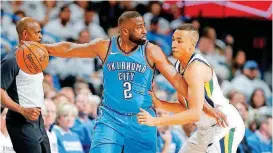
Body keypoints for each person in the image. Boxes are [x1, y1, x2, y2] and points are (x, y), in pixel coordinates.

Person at [44, 11, 226, 153]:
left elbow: (179, 83)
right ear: (124, 31)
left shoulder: (152, 51)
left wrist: (208, 109)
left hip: (141, 120)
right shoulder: (105, 46)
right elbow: (70, 48)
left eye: (144, 26)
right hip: (110, 118)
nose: (145, 31)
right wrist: (43, 48)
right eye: (139, 27)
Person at [137, 24, 245, 153]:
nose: (174, 44)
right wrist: (160, 103)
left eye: (179, 41)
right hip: (204, 130)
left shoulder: (196, 68)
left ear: (191, 45)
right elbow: (185, 107)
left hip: (224, 125)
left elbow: (194, 113)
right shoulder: (178, 66)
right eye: (173, 40)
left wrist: (156, 121)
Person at [1, 17, 51, 153]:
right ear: (24, 34)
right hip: (20, 122)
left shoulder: (35, 56)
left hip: (38, 121)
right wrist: (23, 110)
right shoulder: (11, 60)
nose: (40, 36)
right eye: (37, 33)